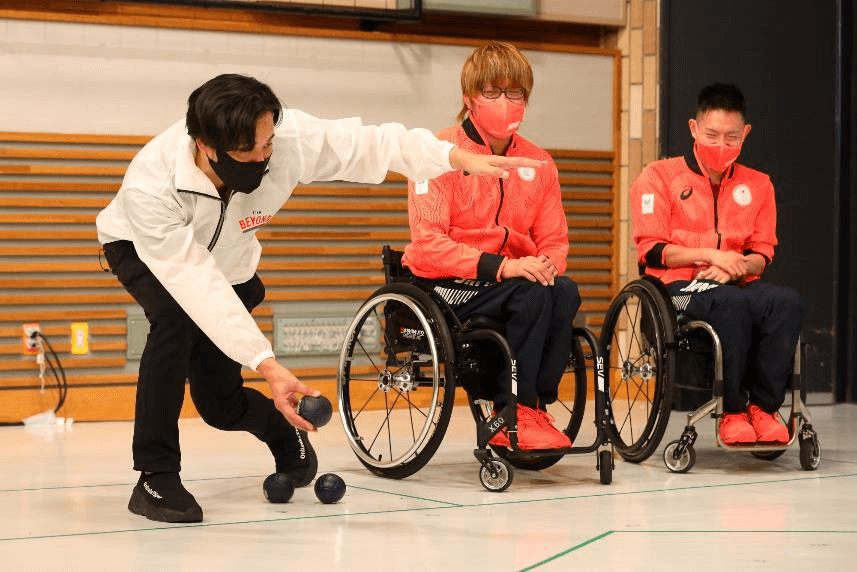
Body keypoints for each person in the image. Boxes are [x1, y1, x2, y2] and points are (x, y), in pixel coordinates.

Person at [97, 73, 542, 523]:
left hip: (229, 262)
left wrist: (451, 155)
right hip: (140, 248)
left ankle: (279, 430)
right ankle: (155, 476)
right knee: (174, 322)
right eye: (250, 152)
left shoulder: (286, 140)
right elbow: (193, 282)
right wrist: (269, 365)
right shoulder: (151, 186)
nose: (264, 157)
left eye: (268, 144)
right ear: (206, 146)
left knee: (219, 405)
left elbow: (372, 144)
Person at [401, 42, 580, 450]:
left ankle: (531, 404)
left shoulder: (539, 162)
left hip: (513, 283)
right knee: (531, 294)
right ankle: (509, 408)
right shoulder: (437, 153)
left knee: (564, 289)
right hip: (447, 281)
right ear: (469, 99)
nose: (505, 102)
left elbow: (554, 240)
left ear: (526, 99)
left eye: (514, 93)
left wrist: (546, 264)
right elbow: (428, 244)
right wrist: (504, 268)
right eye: (492, 92)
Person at [630, 83, 804, 445]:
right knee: (731, 302)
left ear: (745, 134)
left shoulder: (760, 185)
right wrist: (711, 256)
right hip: (675, 289)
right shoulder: (658, 176)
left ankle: (764, 408)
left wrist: (736, 266)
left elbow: (762, 252)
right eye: (712, 135)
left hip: (735, 281)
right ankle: (734, 409)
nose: (721, 146)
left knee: (786, 302)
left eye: (731, 137)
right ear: (694, 128)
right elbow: (652, 250)